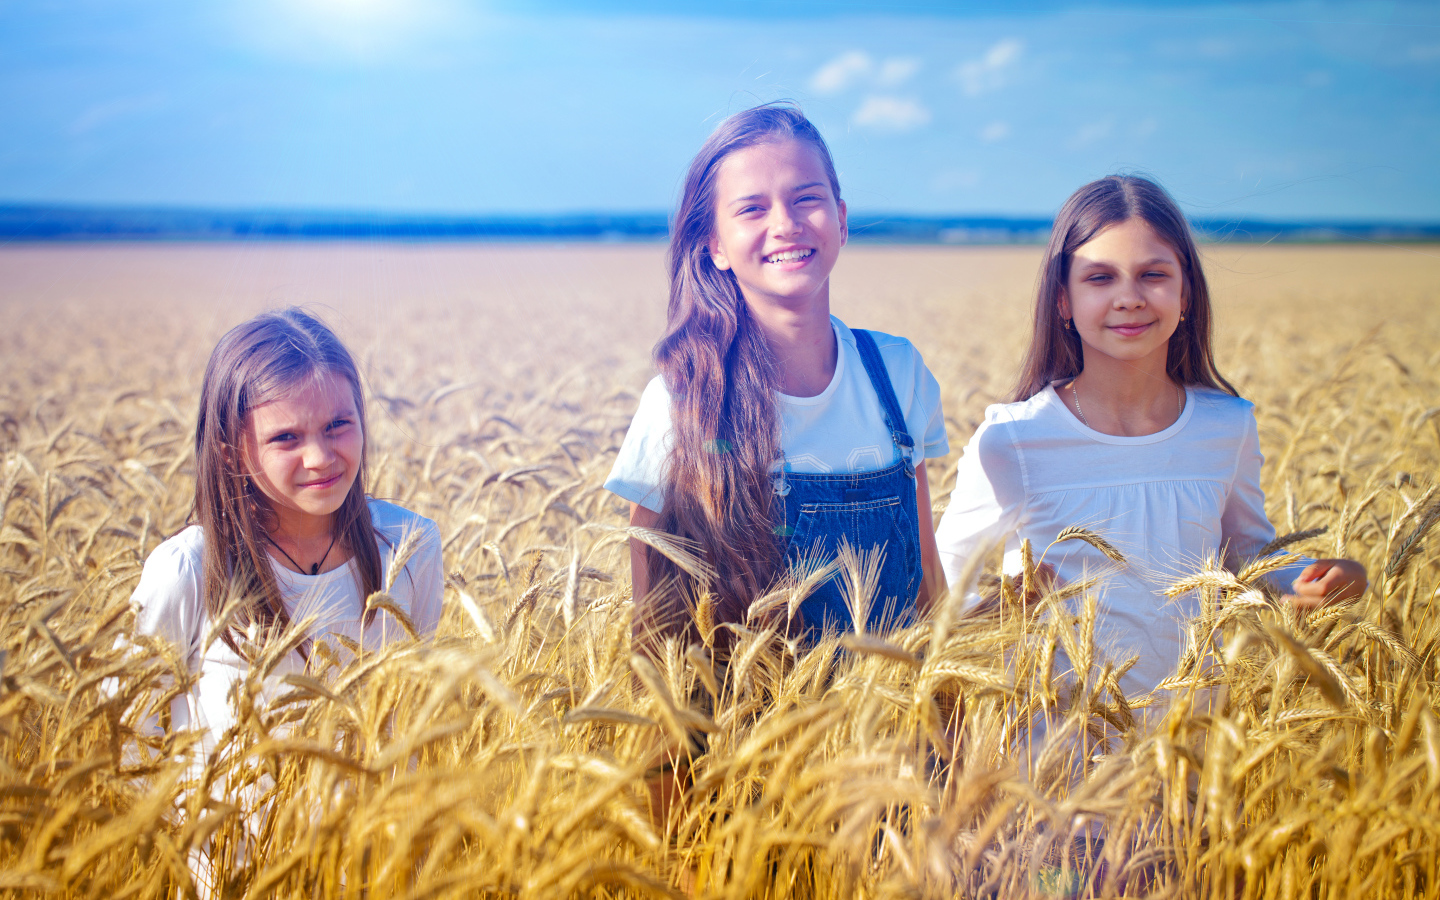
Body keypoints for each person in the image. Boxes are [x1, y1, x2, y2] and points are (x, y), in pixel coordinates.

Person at [934, 175, 1367, 699]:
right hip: (1051, 754)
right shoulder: (1013, 441)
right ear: (1062, 302)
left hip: (1190, 745)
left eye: (1152, 275)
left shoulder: (1226, 426)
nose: (1129, 298)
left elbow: (1246, 557)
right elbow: (942, 598)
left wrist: (1312, 579)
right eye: (1099, 278)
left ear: (1185, 293)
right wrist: (999, 609)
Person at [605, 102, 950, 652]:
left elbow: (926, 577)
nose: (785, 225)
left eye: (805, 199)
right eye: (752, 209)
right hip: (751, 732)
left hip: (898, 732)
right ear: (714, 244)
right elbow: (655, 632)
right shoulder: (682, 401)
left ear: (840, 218)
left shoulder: (898, 373)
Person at [131, 307, 444, 760]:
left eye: (338, 425)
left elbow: (416, 713)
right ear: (231, 452)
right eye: (286, 438)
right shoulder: (188, 572)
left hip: (377, 829)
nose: (319, 457)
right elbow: (124, 745)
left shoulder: (410, 546)